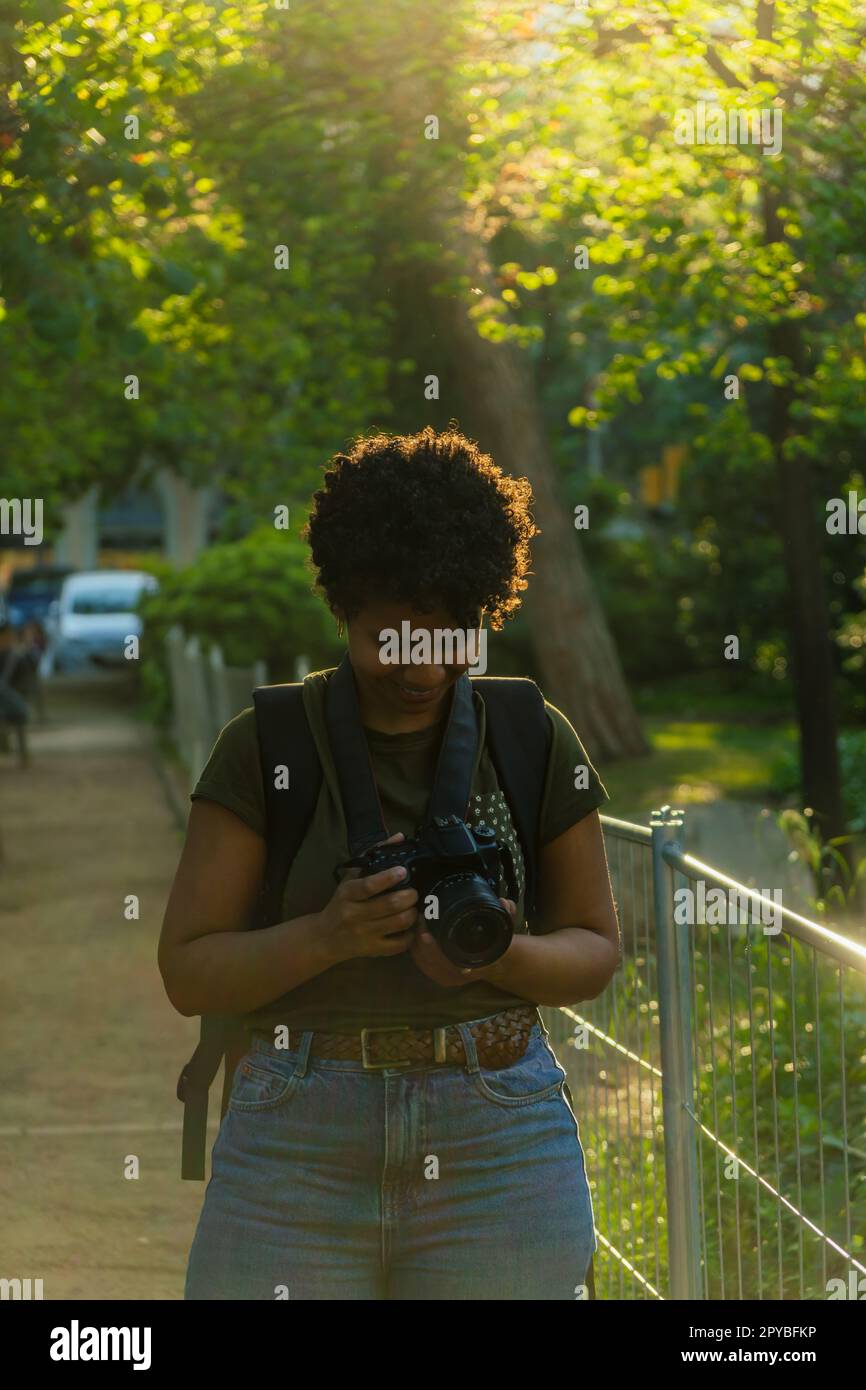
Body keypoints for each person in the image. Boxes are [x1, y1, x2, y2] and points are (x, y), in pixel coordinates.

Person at [159, 425, 620, 1300]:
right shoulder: (267, 746)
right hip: (297, 1134)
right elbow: (188, 972)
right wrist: (329, 936)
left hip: (498, 1136)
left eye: (448, 638)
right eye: (391, 637)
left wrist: (500, 955)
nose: (420, 666)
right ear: (342, 609)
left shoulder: (528, 737)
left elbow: (596, 947)